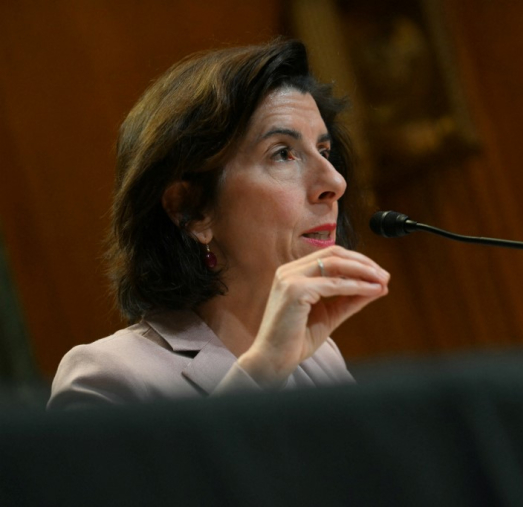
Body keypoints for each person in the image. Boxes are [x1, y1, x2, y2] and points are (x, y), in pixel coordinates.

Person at [47, 39, 390, 409]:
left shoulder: (319, 360)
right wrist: (264, 368)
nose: (336, 183)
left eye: (324, 152)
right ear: (191, 211)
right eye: (282, 154)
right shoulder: (110, 379)